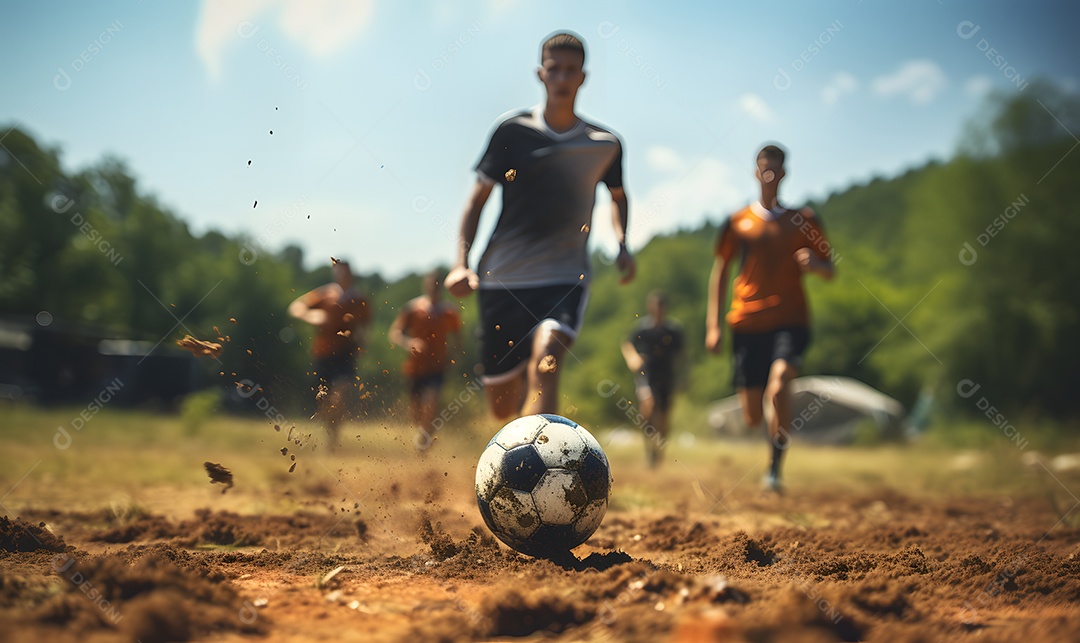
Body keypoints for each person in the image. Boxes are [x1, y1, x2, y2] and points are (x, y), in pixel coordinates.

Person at [445, 31, 635, 420]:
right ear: (540, 74)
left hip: (563, 277)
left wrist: (622, 242)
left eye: (571, 71)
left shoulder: (604, 143)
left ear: (583, 77)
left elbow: (618, 196)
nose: (563, 79)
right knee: (501, 408)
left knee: (548, 358)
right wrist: (461, 263)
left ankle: (537, 463)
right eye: (554, 70)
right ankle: (517, 441)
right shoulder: (512, 132)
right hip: (502, 279)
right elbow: (475, 203)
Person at [705, 144, 835, 492]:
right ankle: (770, 434)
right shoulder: (737, 222)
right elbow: (720, 272)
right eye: (763, 167)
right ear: (755, 171)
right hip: (747, 323)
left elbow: (830, 268)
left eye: (775, 168)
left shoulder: (803, 220)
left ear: (784, 174)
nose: (769, 173)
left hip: (790, 320)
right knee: (751, 414)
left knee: (779, 386)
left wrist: (816, 264)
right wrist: (714, 325)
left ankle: (774, 470)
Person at [288, 258, 370, 448]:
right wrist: (313, 316)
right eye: (339, 271)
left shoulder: (359, 299)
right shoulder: (325, 294)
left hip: (346, 355)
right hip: (323, 354)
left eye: (346, 272)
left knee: (340, 394)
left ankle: (334, 438)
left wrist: (362, 341)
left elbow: (366, 326)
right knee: (324, 401)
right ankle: (330, 434)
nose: (342, 275)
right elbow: (296, 307)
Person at [389, 270, 463, 450]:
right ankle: (423, 434)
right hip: (415, 368)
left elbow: (457, 338)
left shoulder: (449, 312)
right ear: (426, 286)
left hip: (437, 367)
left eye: (438, 286)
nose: (434, 289)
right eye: (431, 285)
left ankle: (424, 438)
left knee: (431, 401)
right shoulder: (412, 309)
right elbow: (395, 333)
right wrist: (409, 343)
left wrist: (454, 357)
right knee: (416, 413)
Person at [621, 291, 684, 468]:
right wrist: (632, 358)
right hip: (646, 375)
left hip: (666, 377)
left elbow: (681, 356)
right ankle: (649, 447)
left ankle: (658, 451)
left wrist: (683, 379)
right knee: (647, 408)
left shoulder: (673, 330)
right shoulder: (642, 328)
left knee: (663, 418)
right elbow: (627, 344)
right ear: (650, 307)